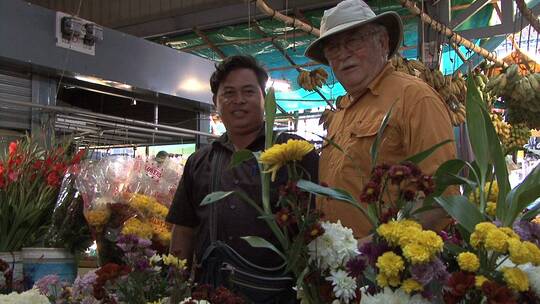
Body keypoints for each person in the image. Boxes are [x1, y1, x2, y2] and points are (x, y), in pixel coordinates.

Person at [166, 55, 318, 302]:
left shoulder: (295, 152)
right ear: (215, 102)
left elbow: (320, 222)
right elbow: (184, 229)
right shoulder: (199, 161)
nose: (238, 100)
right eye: (228, 93)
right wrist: (174, 289)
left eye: (248, 91)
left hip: (280, 295)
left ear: (264, 98)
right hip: (212, 291)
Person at [304, 0, 457, 238]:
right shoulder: (341, 113)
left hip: (386, 267)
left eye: (353, 41)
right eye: (333, 48)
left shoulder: (414, 98)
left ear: (383, 42)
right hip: (339, 266)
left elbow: (440, 198)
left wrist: (375, 247)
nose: (343, 54)